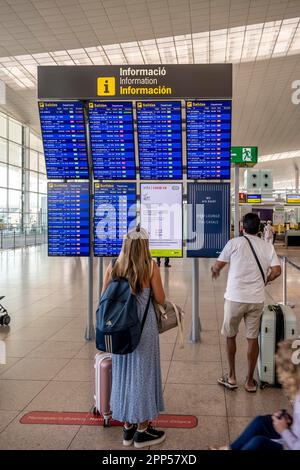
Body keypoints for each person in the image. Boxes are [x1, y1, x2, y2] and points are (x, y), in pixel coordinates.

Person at [101, 226, 166, 448]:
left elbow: (104, 297)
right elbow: (160, 298)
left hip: (120, 329)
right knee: (143, 375)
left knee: (123, 374)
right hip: (143, 330)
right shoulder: (150, 267)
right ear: (145, 245)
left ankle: (127, 428)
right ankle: (143, 430)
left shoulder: (113, 265)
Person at [211, 213, 281, 392]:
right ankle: (249, 381)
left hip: (234, 298)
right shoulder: (266, 246)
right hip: (256, 299)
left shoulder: (234, 243)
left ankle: (232, 377)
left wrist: (215, 270)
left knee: (230, 335)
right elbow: (277, 270)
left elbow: (218, 265)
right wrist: (267, 280)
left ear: (243, 227)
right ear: (259, 229)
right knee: (252, 339)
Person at [211, 338, 300, 450]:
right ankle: (229, 449)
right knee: (261, 422)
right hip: (293, 436)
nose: (279, 375)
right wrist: (289, 420)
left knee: (258, 442)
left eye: (281, 370)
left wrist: (284, 430)